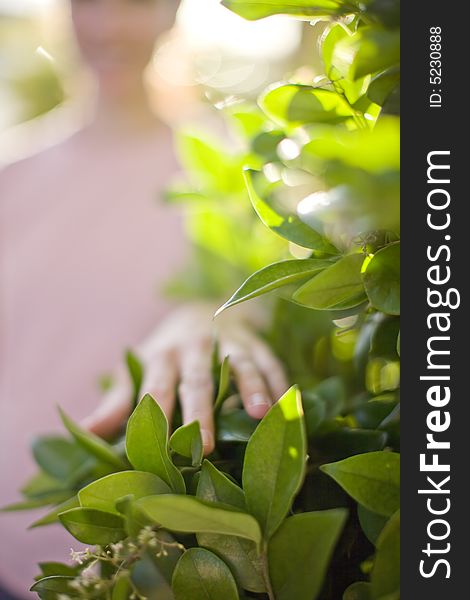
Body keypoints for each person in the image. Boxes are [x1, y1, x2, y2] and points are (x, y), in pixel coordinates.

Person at [0, 0, 288, 597]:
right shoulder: (12, 176)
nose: (109, 25)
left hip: (136, 565)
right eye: (89, 4)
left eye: (134, 3)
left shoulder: (229, 168)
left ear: (171, 12)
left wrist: (214, 315)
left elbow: (268, 289)